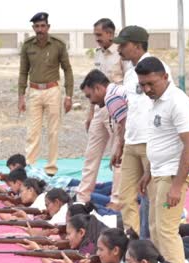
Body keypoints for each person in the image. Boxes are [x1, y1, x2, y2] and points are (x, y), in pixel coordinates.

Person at [136, 56, 189, 263]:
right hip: (158, 174)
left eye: (151, 83)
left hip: (173, 175)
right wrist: (147, 173)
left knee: (166, 231)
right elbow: (159, 140)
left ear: (165, 77)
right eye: (142, 84)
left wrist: (177, 185)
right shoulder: (155, 101)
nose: (147, 89)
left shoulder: (177, 102)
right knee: (155, 230)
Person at [115, 26, 173, 239]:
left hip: (151, 142)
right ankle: (132, 244)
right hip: (132, 142)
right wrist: (120, 142)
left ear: (137, 46)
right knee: (125, 196)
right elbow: (130, 109)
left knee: (151, 199)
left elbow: (167, 105)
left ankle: (151, 248)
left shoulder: (159, 69)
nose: (119, 49)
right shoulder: (130, 74)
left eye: (123, 44)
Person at [78, 18, 131, 207]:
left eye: (99, 35)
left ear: (110, 33)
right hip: (100, 107)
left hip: (117, 107)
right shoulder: (99, 54)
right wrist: (90, 112)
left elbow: (129, 84)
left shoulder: (122, 53)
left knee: (118, 154)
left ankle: (116, 201)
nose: (97, 39)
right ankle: (82, 197)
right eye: (95, 35)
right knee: (91, 154)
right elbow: (94, 85)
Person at [18, 12, 74, 176]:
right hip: (34, 91)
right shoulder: (28, 46)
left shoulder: (58, 45)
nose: (40, 29)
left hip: (53, 91)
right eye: (37, 26)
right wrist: (21, 96)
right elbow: (23, 72)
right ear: (33, 27)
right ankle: (30, 167)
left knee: (53, 131)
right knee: (32, 131)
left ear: (48, 27)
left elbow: (67, 69)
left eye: (43, 26)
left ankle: (51, 169)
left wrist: (68, 95)